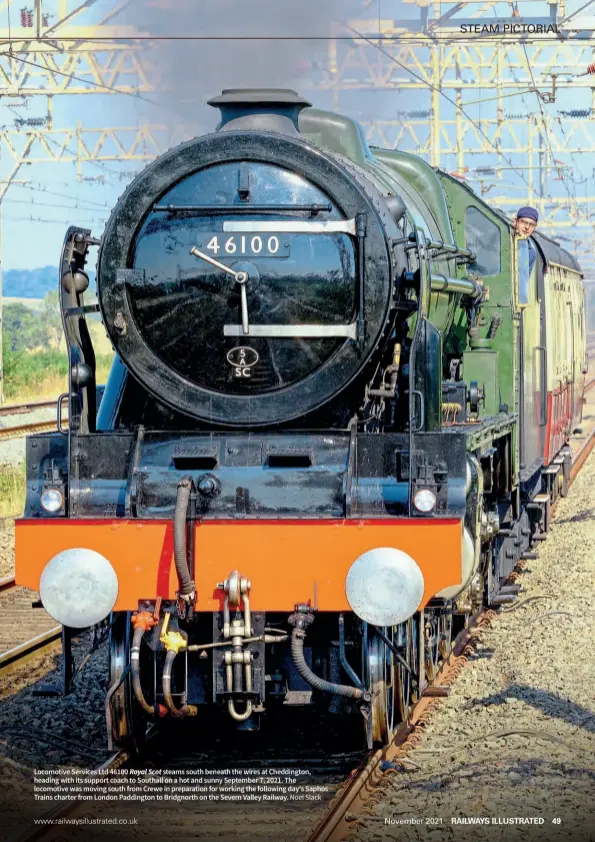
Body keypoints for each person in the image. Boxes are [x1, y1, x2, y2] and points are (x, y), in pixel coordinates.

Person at [513, 206, 538, 274]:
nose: (527, 227)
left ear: (534, 228)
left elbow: (523, 280)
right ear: (515, 222)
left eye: (532, 224)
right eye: (523, 222)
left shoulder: (530, 253)